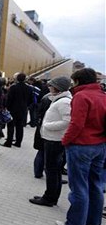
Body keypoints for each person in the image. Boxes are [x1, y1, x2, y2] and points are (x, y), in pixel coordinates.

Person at [57, 68, 106, 225]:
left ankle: (75, 224)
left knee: (79, 186)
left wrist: (65, 141)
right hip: (99, 145)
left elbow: (76, 124)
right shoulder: (102, 96)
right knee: (96, 184)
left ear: (78, 81)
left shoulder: (81, 96)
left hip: (81, 145)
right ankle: (93, 221)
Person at [29, 76, 72, 207]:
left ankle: (49, 198)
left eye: (51, 85)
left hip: (54, 139)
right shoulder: (58, 99)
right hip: (52, 138)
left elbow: (67, 121)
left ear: (58, 87)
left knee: (52, 170)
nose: (49, 87)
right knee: (53, 169)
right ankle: (51, 195)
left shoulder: (64, 102)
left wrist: (48, 125)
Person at [2, 72, 33, 147]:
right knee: (20, 126)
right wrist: (26, 105)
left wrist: (6, 107)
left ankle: (9, 142)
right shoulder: (29, 88)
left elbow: (9, 98)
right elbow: (31, 99)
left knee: (11, 126)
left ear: (17, 78)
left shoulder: (13, 87)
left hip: (13, 109)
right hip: (23, 109)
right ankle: (18, 142)